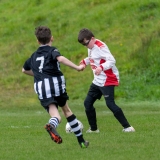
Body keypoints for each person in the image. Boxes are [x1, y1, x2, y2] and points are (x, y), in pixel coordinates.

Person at [22, 26, 89, 148]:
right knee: (67, 111)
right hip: (55, 85)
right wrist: (78, 67)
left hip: (41, 88)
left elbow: (24, 70)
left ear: (37, 41)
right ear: (51, 38)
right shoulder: (52, 50)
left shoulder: (33, 56)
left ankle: (52, 125)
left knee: (56, 116)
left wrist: (38, 74)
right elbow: (61, 58)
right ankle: (81, 142)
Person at [77, 28, 135, 133]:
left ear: (92, 38)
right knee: (87, 103)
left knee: (110, 104)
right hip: (98, 80)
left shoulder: (100, 47)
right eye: (83, 45)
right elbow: (93, 58)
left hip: (108, 79)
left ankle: (128, 127)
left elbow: (112, 60)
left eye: (86, 43)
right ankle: (94, 129)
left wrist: (101, 67)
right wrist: (84, 63)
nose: (86, 46)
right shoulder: (90, 46)